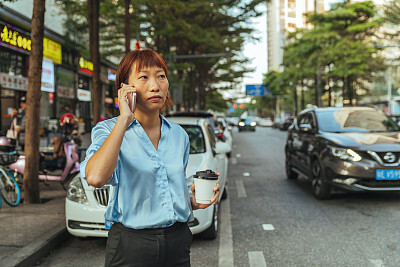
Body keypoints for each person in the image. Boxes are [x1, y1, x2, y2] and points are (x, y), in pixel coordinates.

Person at [80, 49, 220, 267]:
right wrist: (124, 119)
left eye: (161, 76)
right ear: (125, 88)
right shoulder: (108, 130)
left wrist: (191, 200)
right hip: (131, 245)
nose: (155, 86)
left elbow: (169, 187)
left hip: (178, 241)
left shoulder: (178, 135)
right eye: (143, 77)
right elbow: (96, 177)